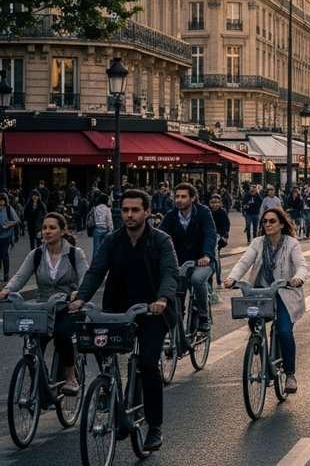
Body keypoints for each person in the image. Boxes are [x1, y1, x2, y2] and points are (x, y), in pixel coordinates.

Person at [70, 189, 178, 452]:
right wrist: (81, 299)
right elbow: (96, 271)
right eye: (125, 210)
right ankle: (114, 397)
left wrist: (162, 299)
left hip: (152, 311)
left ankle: (154, 426)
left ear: (147, 212)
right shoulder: (112, 240)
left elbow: (170, 273)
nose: (129, 215)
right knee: (99, 346)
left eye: (135, 210)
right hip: (117, 309)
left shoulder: (161, 240)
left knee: (148, 364)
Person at [1, 212, 89, 394]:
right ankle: (40, 384)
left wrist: (78, 294)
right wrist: (7, 290)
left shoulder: (74, 253)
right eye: (44, 228)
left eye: (52, 228)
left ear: (62, 231)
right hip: (43, 307)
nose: (47, 232)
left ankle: (71, 377)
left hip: (68, 307)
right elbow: (20, 276)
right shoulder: (36, 254)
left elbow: (85, 278)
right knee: (33, 342)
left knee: (61, 334)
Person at [224, 207, 307, 392]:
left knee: (285, 331)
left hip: (285, 293)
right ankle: (259, 345)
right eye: (265, 221)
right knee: (254, 321)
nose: (268, 224)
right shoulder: (258, 242)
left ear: (281, 224)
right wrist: (233, 278)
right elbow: (244, 262)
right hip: (261, 292)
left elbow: (301, 264)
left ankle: (290, 374)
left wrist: (298, 278)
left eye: (272, 221)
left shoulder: (291, 243)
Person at [158, 183, 218, 331]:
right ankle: (178, 339)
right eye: (177, 196)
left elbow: (210, 234)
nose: (179, 200)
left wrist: (207, 255)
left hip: (201, 261)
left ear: (192, 198)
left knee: (197, 280)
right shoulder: (171, 216)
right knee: (175, 295)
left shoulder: (203, 212)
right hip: (178, 263)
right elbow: (160, 237)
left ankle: (204, 316)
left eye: (183, 196)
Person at [0, 194, 20, 282]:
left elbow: (16, 220)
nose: (1, 201)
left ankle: (6, 275)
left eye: (2, 200)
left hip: (6, 235)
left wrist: (8, 225)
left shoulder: (8, 209)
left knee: (4, 255)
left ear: (5, 200)